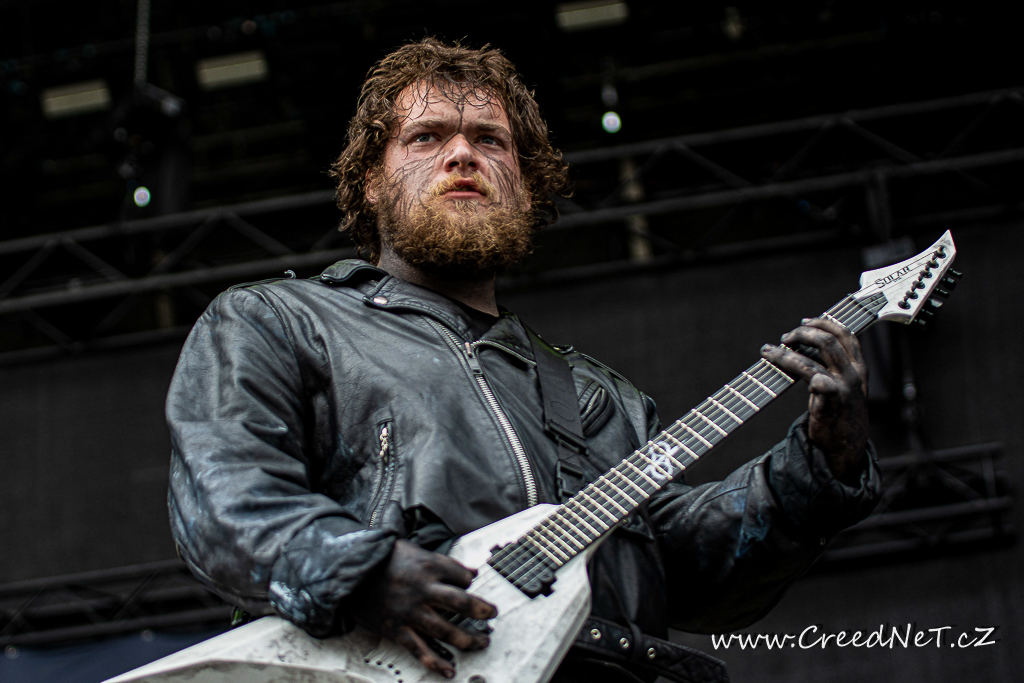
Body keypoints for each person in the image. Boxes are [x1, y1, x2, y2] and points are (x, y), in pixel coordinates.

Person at [166, 38, 880, 682]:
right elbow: (225, 500)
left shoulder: (600, 396)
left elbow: (688, 574)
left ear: (525, 184)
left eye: (490, 140)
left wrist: (818, 468)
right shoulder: (280, 321)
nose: (462, 155)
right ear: (372, 182)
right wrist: (363, 571)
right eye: (426, 137)